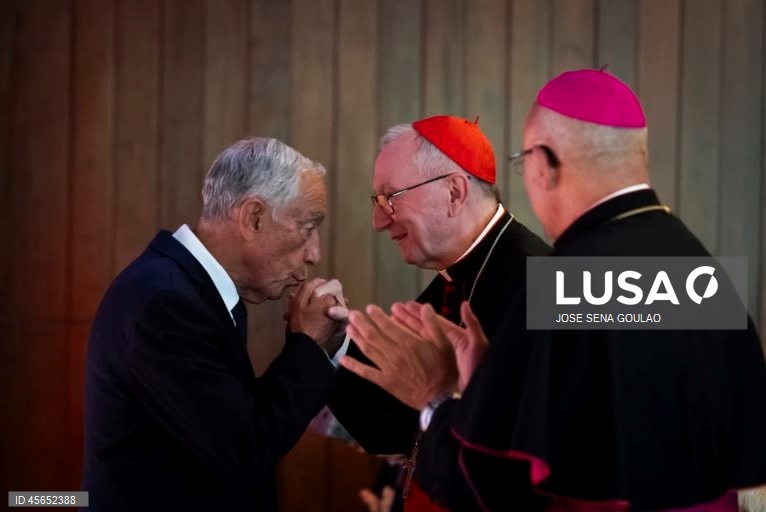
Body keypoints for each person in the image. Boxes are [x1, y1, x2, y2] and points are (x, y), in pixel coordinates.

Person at [341, 69, 766, 511]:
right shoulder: (703, 273)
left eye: (523, 164)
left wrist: (435, 400)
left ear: (544, 164)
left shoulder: (565, 285)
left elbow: (494, 491)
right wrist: (493, 382)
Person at [83, 137, 348, 511]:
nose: (315, 253)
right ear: (253, 217)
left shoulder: (185, 289)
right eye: (308, 227)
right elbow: (246, 448)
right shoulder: (164, 303)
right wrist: (309, 346)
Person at [329, 115, 550, 510]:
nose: (379, 221)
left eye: (390, 198)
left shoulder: (539, 282)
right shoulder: (455, 278)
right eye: (376, 201)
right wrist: (330, 341)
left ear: (454, 191)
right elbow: (391, 429)